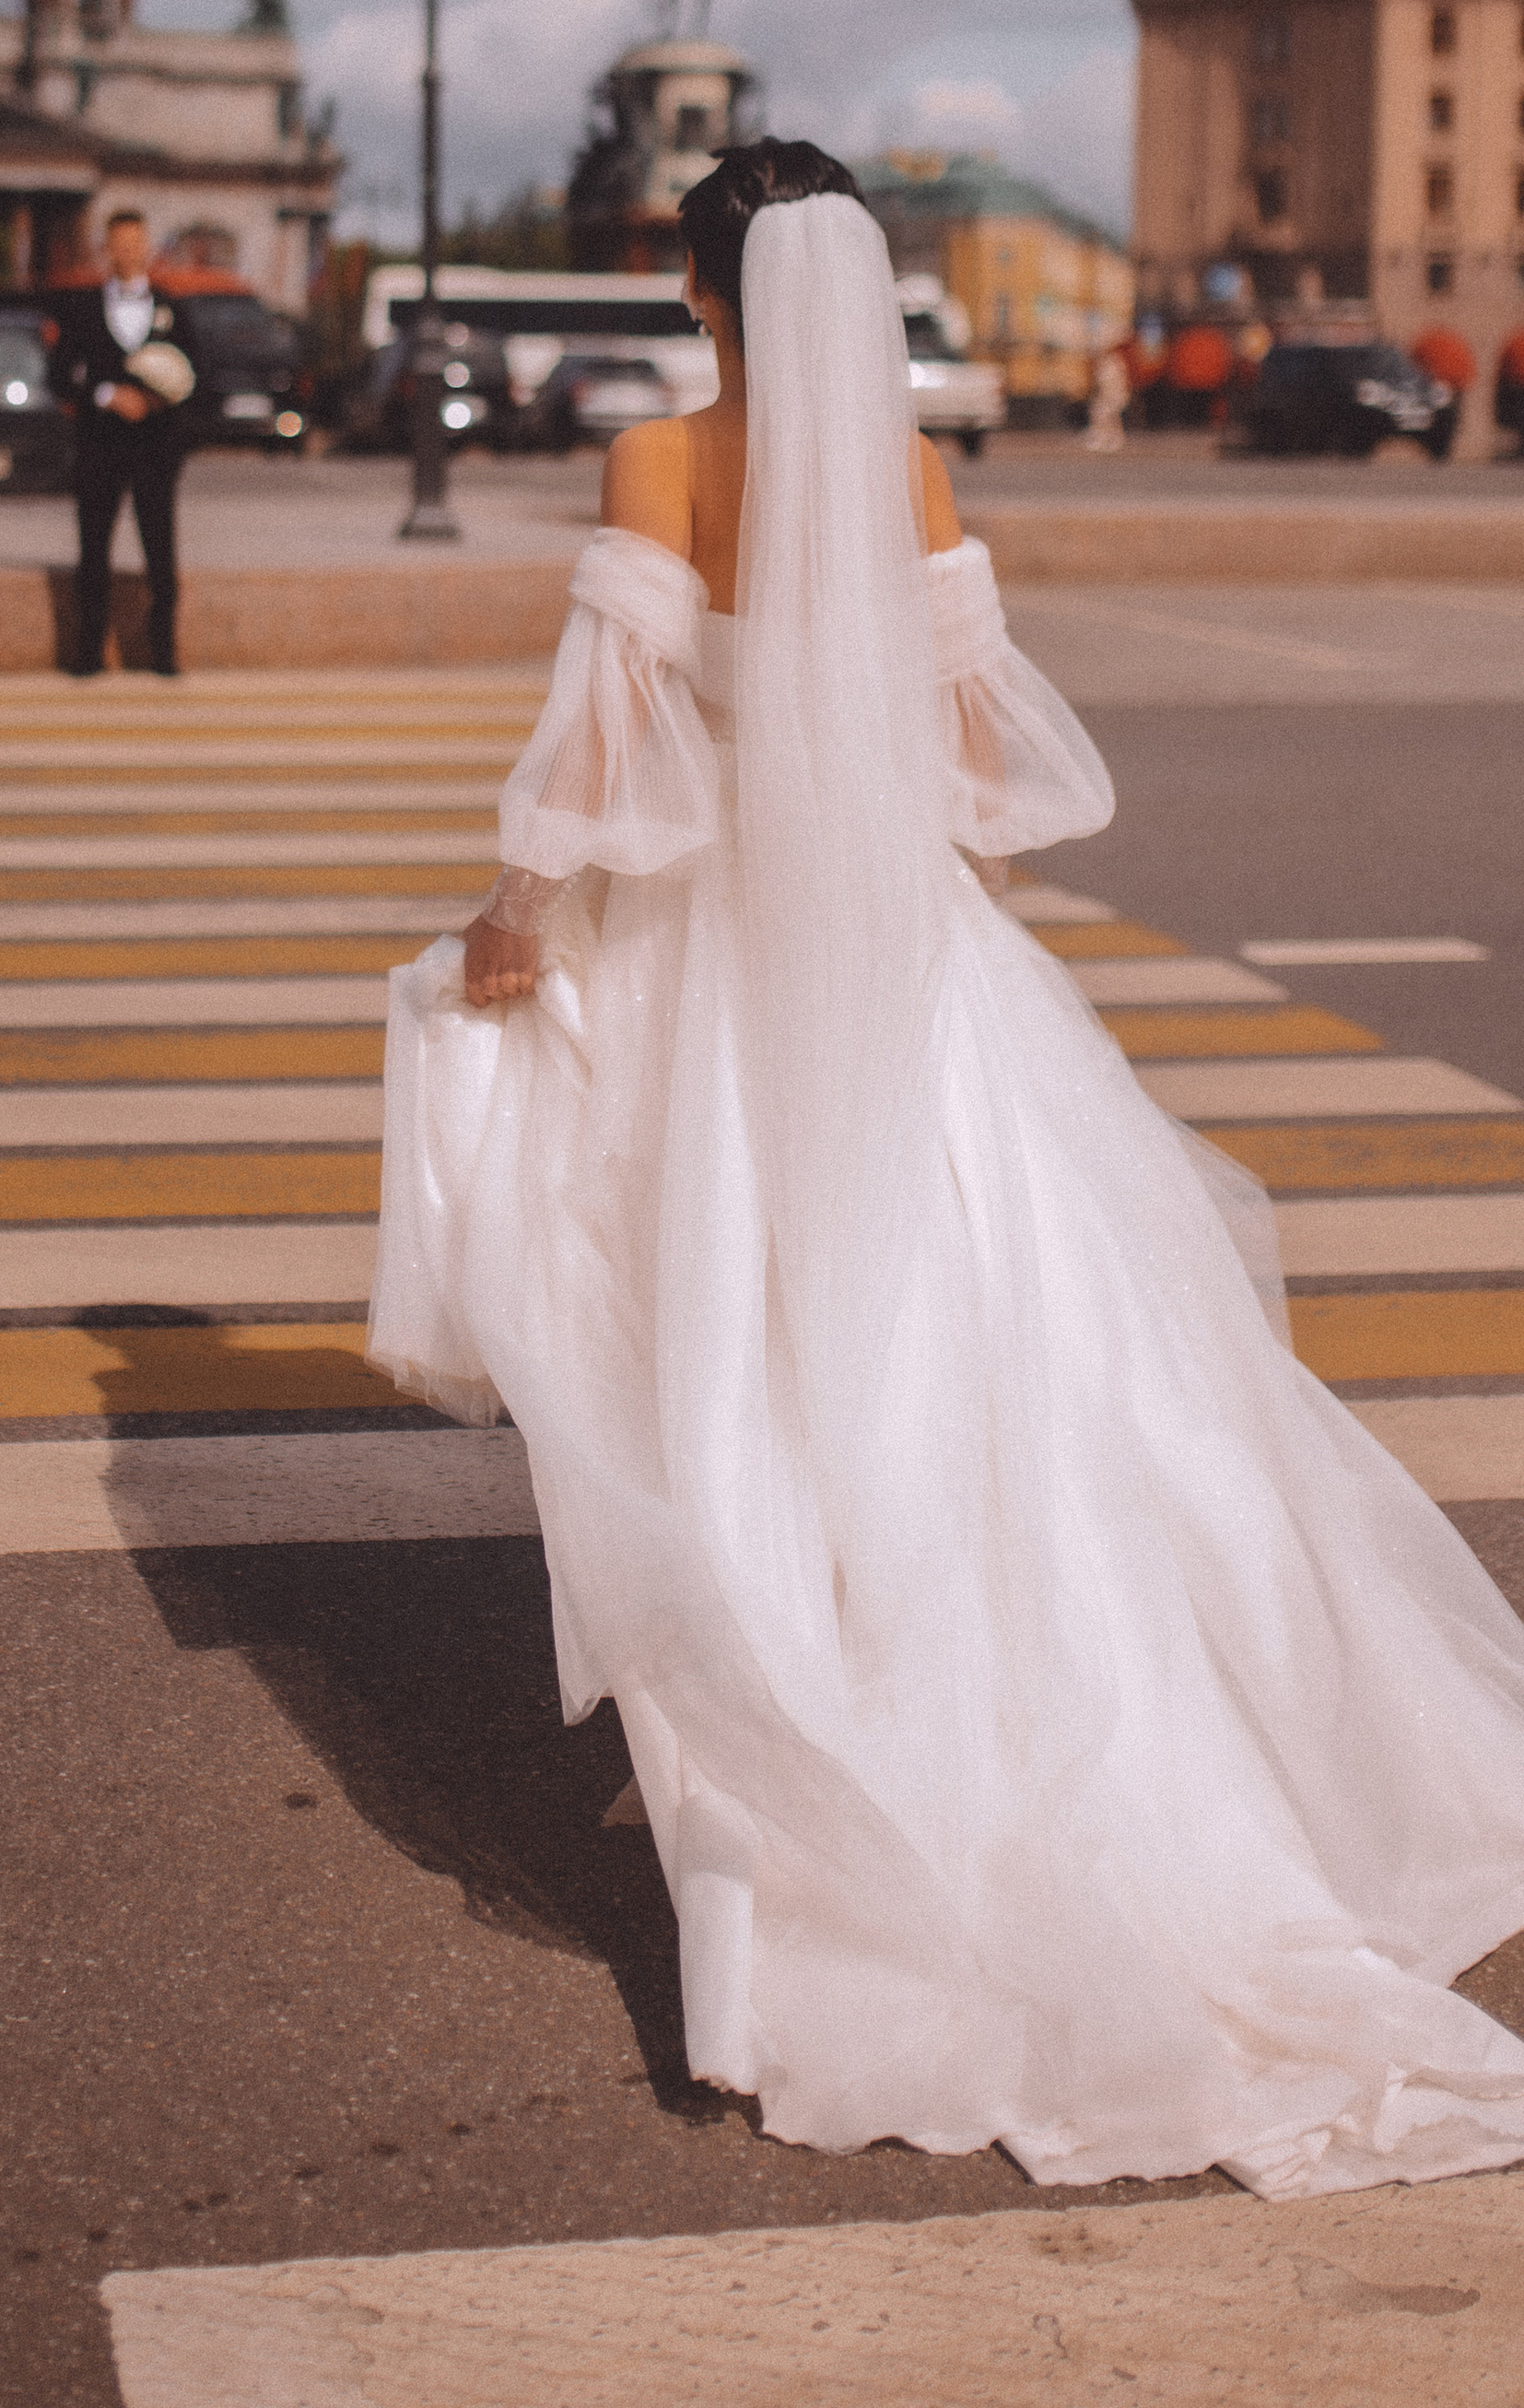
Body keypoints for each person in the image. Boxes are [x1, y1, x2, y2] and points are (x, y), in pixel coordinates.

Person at [373, 135, 1524, 2199]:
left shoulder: (658, 466)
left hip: (723, 957)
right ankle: (1000, 1719)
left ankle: (806, 1717)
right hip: (903, 953)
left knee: (740, 1346)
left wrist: (510, 908)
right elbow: (969, 756)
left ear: (705, 293)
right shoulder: (907, 478)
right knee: (991, 1347)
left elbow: (609, 726)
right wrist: (960, 918)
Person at [53, 213, 198, 677]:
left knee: (160, 549)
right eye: (120, 244)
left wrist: (154, 399)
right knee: (93, 549)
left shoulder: (172, 310)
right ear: (107, 250)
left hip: (154, 450)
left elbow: (197, 377)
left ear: (147, 248)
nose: (129, 252)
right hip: (101, 447)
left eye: (137, 243)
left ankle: (162, 654)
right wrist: (104, 394)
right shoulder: (82, 309)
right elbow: (58, 376)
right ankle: (89, 654)